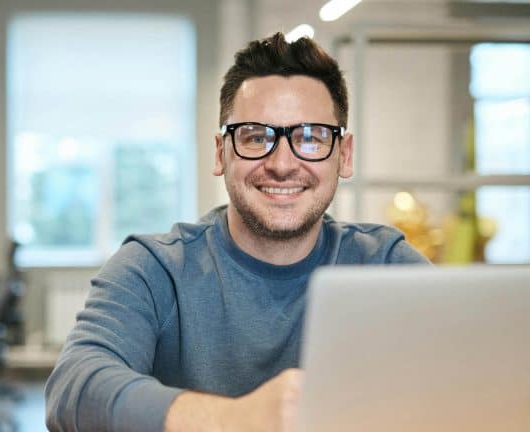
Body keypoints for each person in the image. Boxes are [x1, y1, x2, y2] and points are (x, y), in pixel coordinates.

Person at [44, 32, 429, 432]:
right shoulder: (155, 269)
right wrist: (233, 419)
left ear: (343, 155)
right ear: (220, 152)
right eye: (256, 137)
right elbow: (74, 390)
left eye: (311, 138)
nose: (282, 163)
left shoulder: (387, 266)